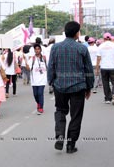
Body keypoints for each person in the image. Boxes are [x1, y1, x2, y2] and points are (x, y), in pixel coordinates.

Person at [48, 21, 94, 153]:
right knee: (76, 115)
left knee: (60, 110)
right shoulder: (82, 48)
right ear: (77, 33)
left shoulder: (55, 48)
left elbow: (51, 66)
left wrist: (51, 82)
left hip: (60, 86)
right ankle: (70, 144)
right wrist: (89, 87)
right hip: (78, 87)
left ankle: (60, 136)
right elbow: (88, 69)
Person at [95, 32, 114, 105]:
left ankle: (107, 98)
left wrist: (97, 69)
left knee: (105, 82)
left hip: (104, 67)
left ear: (103, 39)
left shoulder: (100, 46)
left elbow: (98, 58)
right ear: (110, 38)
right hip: (113, 67)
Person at [26, 44, 47, 115]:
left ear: (40, 50)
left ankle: (41, 107)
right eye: (36, 49)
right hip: (34, 80)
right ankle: (38, 103)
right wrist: (26, 63)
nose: (37, 50)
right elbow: (28, 68)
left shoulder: (44, 58)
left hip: (42, 80)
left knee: (40, 93)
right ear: (34, 50)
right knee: (35, 94)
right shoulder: (32, 59)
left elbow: (48, 67)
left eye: (38, 49)